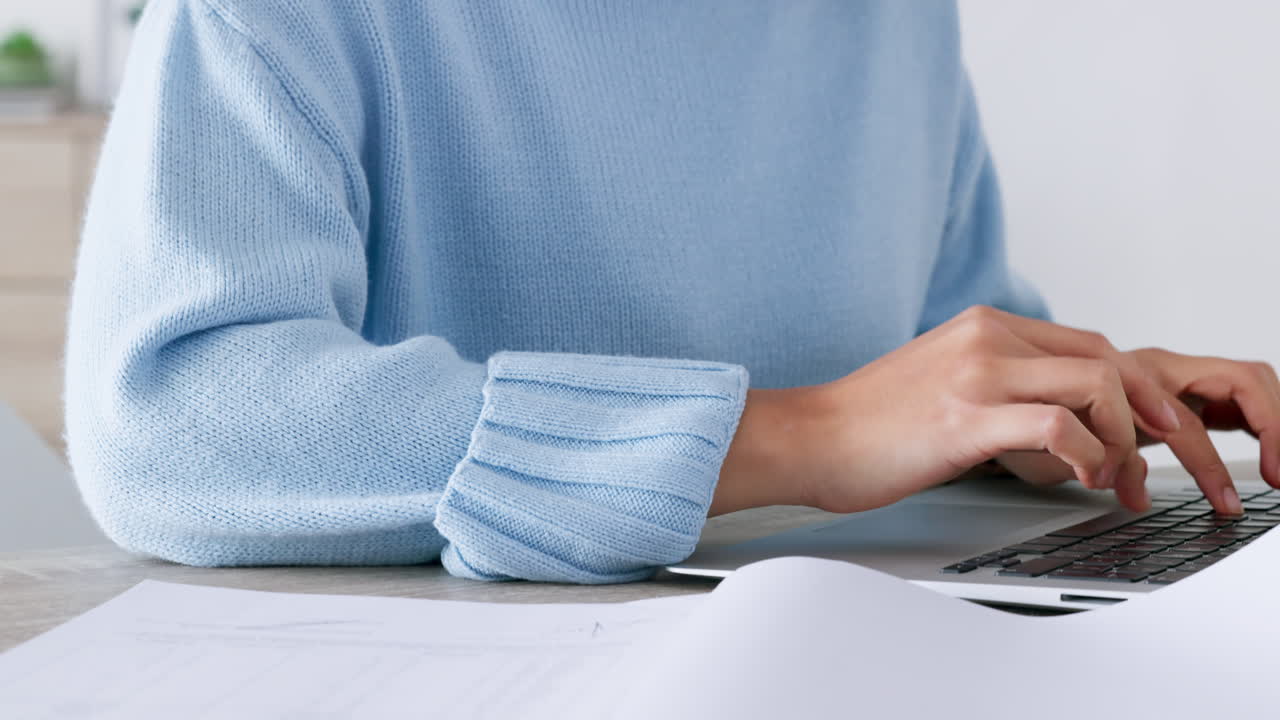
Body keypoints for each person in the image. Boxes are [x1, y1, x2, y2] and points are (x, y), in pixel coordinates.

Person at [66, 0, 1279, 583]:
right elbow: (172, 415)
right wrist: (793, 435)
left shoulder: (892, 20)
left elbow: (935, 325)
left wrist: (1050, 404)